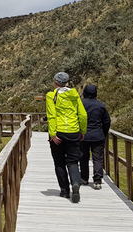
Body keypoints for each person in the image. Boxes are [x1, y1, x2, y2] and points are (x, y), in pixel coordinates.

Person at [46, 72, 88, 203]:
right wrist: (82, 130)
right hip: (73, 131)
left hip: (58, 133)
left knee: (59, 162)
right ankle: (75, 183)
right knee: (73, 161)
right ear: (67, 82)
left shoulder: (51, 96)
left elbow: (51, 116)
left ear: (55, 82)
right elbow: (83, 115)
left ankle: (64, 191)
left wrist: (53, 134)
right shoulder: (74, 95)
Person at [79, 84, 111, 190]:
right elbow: (107, 121)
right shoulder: (101, 105)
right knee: (98, 158)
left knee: (83, 157)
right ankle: (97, 180)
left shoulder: (80, 104)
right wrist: (103, 133)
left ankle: (84, 178)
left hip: (83, 136)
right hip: (98, 135)